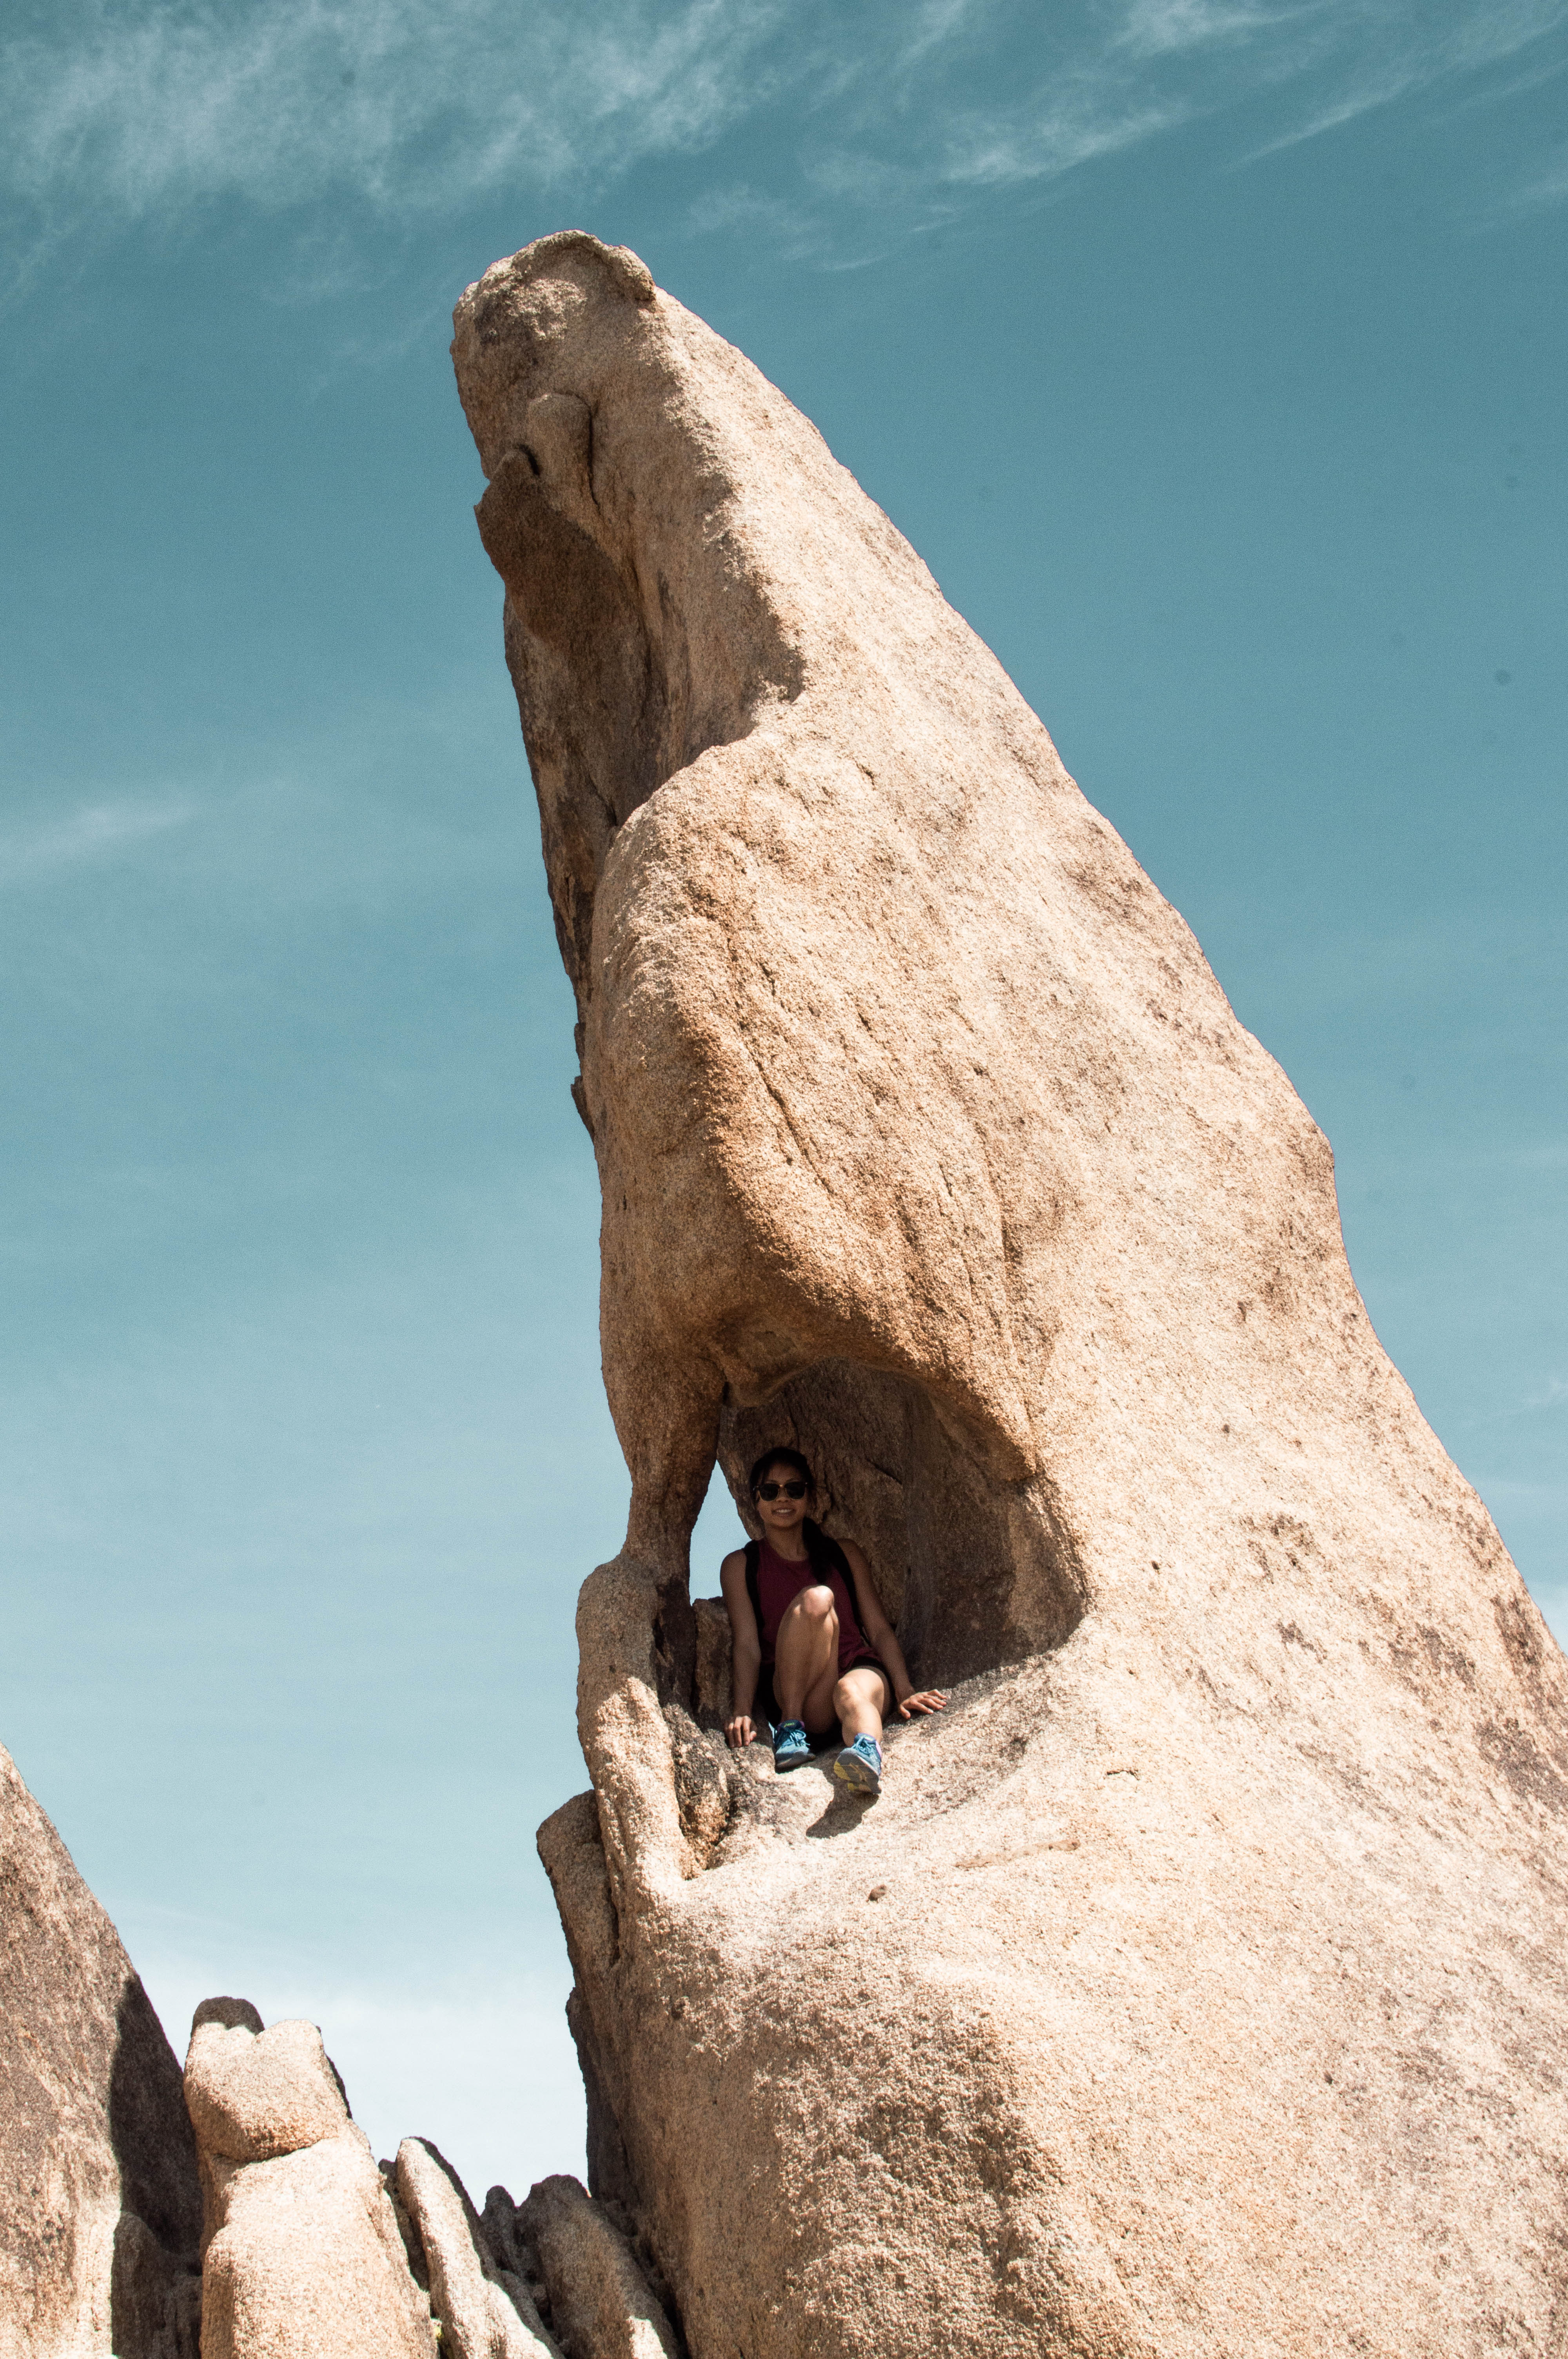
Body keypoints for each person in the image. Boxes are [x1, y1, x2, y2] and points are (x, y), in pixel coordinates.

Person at [720, 1446, 946, 1797]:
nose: (783, 1498)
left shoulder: (844, 1554)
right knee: (817, 1599)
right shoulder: (741, 1566)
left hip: (857, 1669)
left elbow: (879, 1630)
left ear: (809, 1496)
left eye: (795, 1489)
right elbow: (748, 1645)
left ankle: (865, 1754)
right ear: (756, 1501)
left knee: (851, 1692)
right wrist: (742, 1709)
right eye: (770, 1491)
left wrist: (905, 1690)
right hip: (802, 1692)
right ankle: (790, 1729)